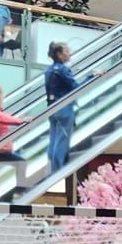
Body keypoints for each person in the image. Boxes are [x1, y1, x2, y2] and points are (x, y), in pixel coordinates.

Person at [43, 41, 79, 174]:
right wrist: (91, 76)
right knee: (62, 140)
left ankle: (51, 168)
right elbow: (75, 86)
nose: (70, 53)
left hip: (52, 108)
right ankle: (57, 171)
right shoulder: (63, 69)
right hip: (64, 107)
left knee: (53, 139)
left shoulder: (49, 70)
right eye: (67, 51)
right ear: (59, 54)